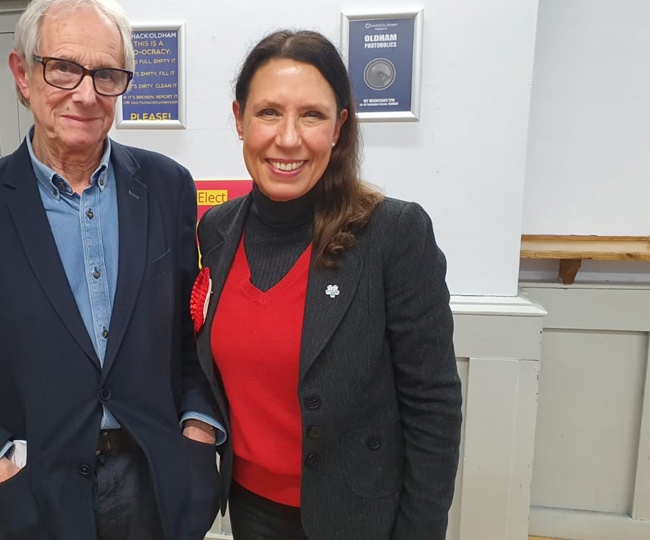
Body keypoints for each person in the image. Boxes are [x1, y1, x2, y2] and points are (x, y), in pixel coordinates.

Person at [0, 1, 224, 538]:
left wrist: (197, 433)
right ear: (22, 75)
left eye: (107, 75)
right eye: (64, 68)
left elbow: (194, 339)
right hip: (37, 496)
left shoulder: (168, 187)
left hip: (161, 488)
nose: (86, 93)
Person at [193, 30, 463, 540]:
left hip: (358, 515)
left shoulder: (393, 234)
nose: (288, 138)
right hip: (249, 508)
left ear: (339, 126)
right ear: (239, 119)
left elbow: (434, 407)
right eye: (269, 112)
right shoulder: (218, 230)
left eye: (312, 115)